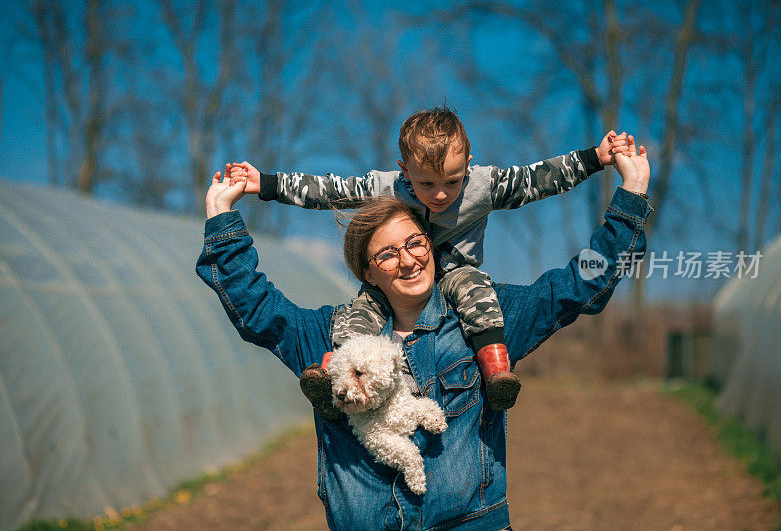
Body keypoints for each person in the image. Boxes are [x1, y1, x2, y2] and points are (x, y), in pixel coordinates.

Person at [197, 134, 651, 530]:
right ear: (369, 273)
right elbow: (256, 307)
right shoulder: (331, 334)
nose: (408, 259)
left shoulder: (487, 317)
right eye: (387, 254)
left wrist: (631, 195)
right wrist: (221, 216)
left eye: (415, 244)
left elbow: (579, 285)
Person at [226, 106, 631, 416]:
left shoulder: (485, 186)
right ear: (404, 170)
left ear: (469, 162)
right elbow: (328, 191)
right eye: (426, 184)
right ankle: (337, 375)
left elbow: (539, 178)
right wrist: (266, 184)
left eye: (452, 181)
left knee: (479, 296)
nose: (440, 194)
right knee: (360, 312)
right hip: (391, 287)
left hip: (458, 272)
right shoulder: (383, 188)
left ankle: (495, 368)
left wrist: (596, 157)